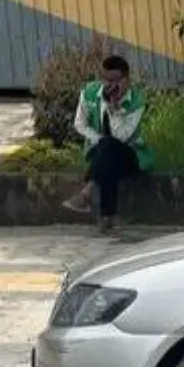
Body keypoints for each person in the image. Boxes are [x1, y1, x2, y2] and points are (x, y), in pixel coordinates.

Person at [62, 55, 154, 234]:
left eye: (115, 81)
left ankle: (88, 194)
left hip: (129, 154)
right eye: (105, 80)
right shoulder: (90, 93)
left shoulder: (136, 101)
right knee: (106, 154)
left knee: (110, 149)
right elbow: (79, 123)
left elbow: (122, 136)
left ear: (126, 80)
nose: (109, 85)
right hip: (100, 152)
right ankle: (106, 217)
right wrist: (97, 138)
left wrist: (115, 110)